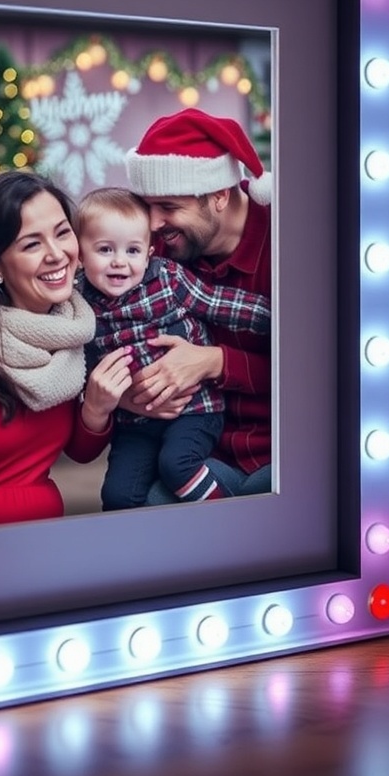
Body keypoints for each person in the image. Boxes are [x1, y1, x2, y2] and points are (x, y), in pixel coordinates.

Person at [0, 170, 133, 529]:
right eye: (31, 244)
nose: (57, 255)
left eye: (62, 233)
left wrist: (96, 410)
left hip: (44, 544)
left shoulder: (69, 332)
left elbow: (79, 452)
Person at [76, 187, 270, 510]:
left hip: (194, 410)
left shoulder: (166, 279)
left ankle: (228, 520)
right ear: (80, 255)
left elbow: (221, 304)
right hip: (135, 423)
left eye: (133, 251)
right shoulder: (81, 304)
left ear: (150, 252)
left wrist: (277, 318)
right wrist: (111, 399)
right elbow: (79, 368)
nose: (120, 262)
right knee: (118, 494)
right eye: (105, 250)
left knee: (176, 466)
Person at [125, 107, 272, 501]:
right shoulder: (155, 253)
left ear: (220, 196)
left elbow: (316, 374)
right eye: (147, 206)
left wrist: (214, 361)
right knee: (150, 502)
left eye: (169, 207)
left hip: (284, 453)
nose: (153, 223)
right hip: (199, 453)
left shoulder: (285, 241)